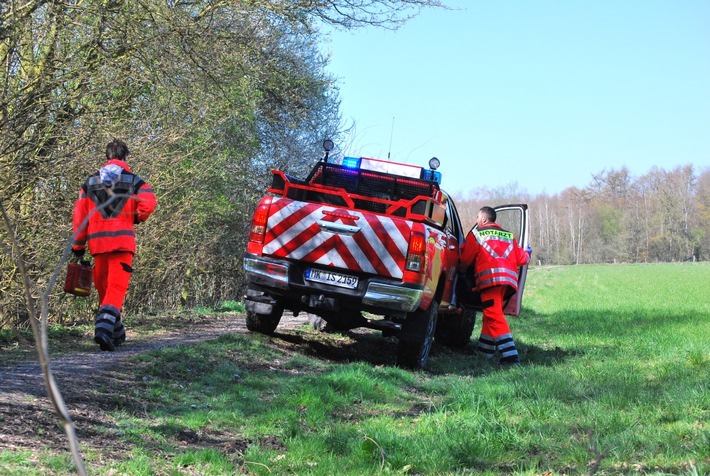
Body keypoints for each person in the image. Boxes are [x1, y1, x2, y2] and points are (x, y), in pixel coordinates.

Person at [72, 138, 157, 351]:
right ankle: (103, 330)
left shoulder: (89, 183)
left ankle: (116, 333)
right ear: (125, 157)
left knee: (104, 289)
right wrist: (136, 217)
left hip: (98, 245)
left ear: (107, 156)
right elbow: (149, 202)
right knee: (116, 289)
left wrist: (78, 246)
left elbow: (79, 217)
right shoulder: (134, 181)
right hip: (122, 243)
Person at [459, 206, 530, 365]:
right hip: (507, 283)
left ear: (484, 219)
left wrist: (462, 271)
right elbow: (522, 259)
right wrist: (528, 253)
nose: (476, 220)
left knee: (494, 316)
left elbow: (465, 260)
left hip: (490, 281)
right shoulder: (509, 236)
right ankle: (485, 354)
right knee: (491, 313)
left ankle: (511, 357)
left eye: (478, 217)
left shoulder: (477, 234)